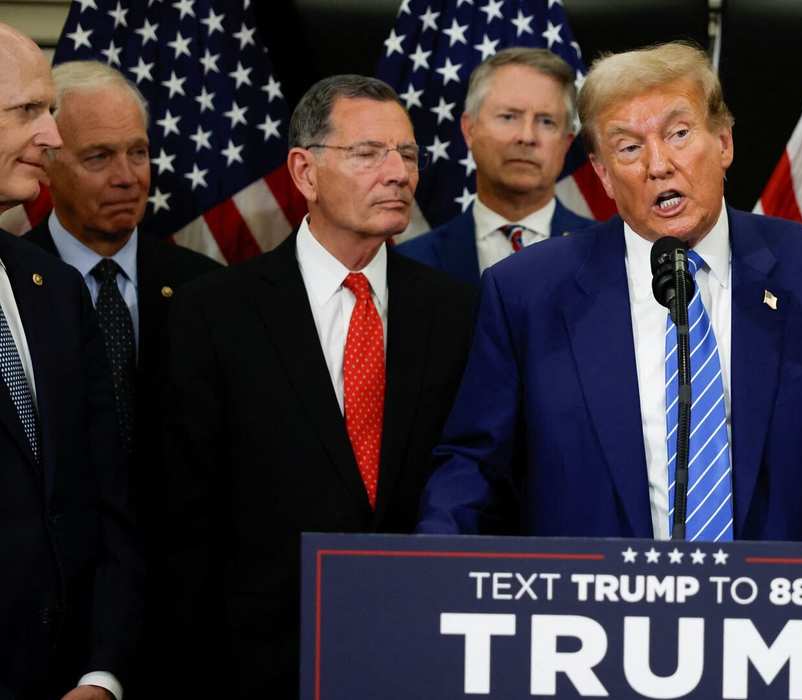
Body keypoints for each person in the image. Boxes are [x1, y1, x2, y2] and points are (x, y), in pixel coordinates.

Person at [419, 42, 802, 543]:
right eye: (629, 147)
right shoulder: (528, 292)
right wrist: (431, 565)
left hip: (773, 594)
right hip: (597, 594)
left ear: (724, 142)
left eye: (679, 134)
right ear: (603, 174)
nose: (658, 164)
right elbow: (473, 463)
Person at [161, 75, 476, 698]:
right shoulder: (212, 314)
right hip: (258, 665)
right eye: (368, 153)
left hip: (422, 653)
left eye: (407, 154)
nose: (398, 174)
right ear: (305, 172)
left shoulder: (458, 312)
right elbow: (183, 517)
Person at [0, 22, 140, 700]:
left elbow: (104, 497)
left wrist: (100, 672)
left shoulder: (52, 288)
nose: (52, 135)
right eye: (28, 110)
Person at [395, 47, 594, 284]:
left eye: (546, 121)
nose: (527, 137)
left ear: (566, 143)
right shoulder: (410, 262)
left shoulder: (608, 254)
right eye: (509, 117)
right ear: (469, 130)